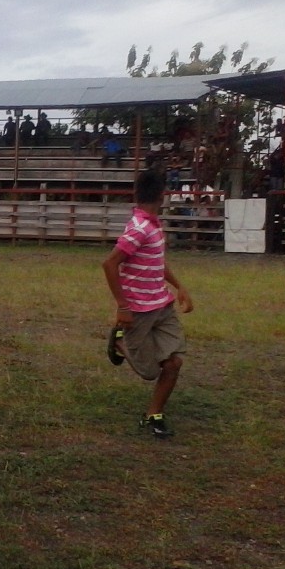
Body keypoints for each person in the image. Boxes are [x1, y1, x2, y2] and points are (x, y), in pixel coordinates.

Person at [102, 169, 194, 438]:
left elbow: (156, 262)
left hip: (162, 307)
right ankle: (119, 342)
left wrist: (179, 287)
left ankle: (154, 414)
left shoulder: (153, 226)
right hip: (139, 311)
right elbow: (109, 263)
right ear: (162, 195)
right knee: (149, 372)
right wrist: (123, 306)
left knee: (174, 362)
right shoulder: (139, 229)